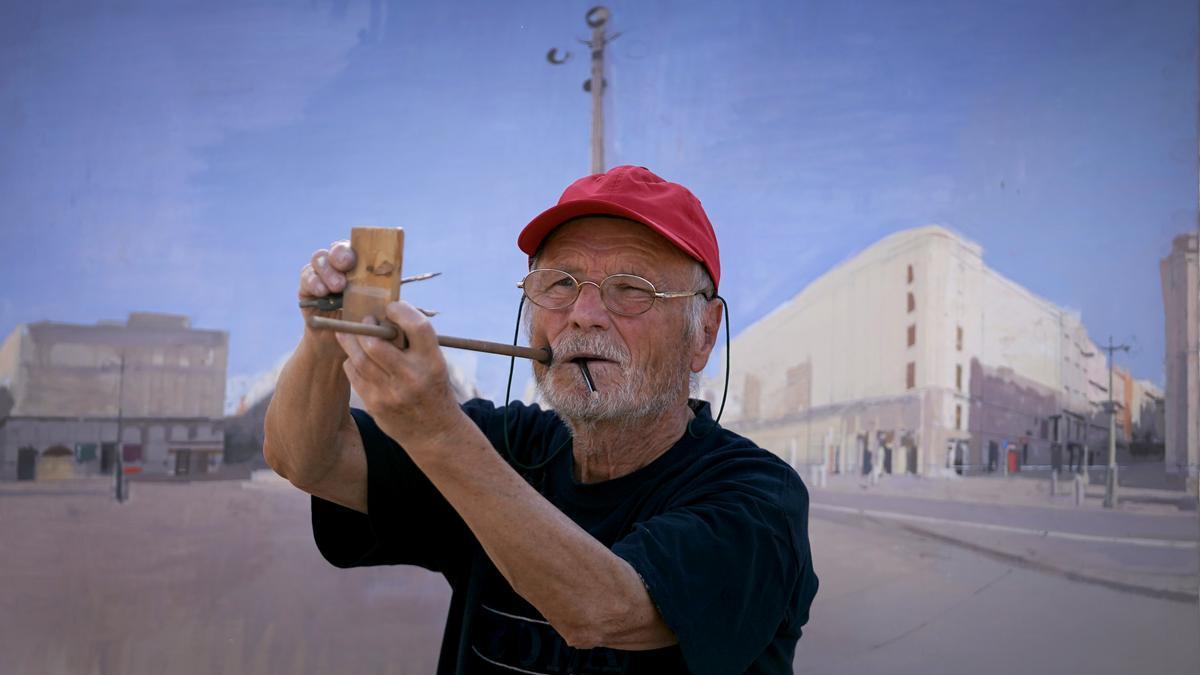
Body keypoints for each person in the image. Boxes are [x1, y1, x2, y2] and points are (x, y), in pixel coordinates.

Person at [264, 165, 819, 674]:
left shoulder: (758, 495)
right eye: (559, 284)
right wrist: (325, 336)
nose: (582, 315)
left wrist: (435, 432)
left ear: (703, 333)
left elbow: (604, 612)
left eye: (631, 289)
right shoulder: (505, 444)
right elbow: (306, 458)